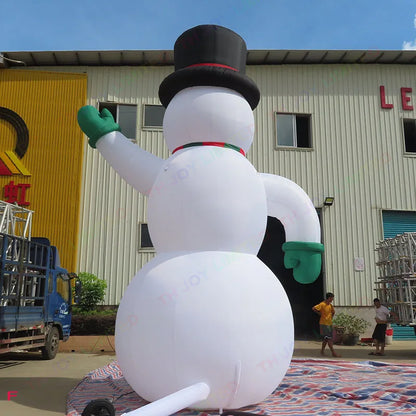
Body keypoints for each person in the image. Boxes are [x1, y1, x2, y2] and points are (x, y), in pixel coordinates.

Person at [312, 292, 341, 357]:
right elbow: (314, 308)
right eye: (331, 298)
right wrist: (320, 314)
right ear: (328, 298)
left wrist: (330, 318)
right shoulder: (322, 304)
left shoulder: (330, 305)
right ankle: (333, 353)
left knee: (326, 339)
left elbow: (333, 312)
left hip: (329, 323)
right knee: (329, 339)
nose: (332, 300)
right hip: (324, 324)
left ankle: (322, 351)